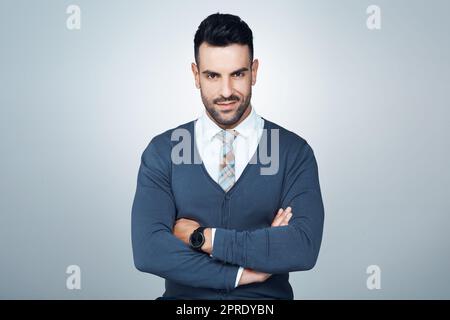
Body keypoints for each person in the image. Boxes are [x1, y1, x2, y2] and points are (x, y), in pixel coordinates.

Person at [131, 12, 324, 300]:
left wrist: (203, 238)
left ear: (254, 71)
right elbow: (149, 251)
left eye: (238, 74)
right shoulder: (164, 151)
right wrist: (241, 272)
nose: (226, 91)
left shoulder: (293, 152)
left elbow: (302, 247)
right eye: (212, 75)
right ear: (196, 75)